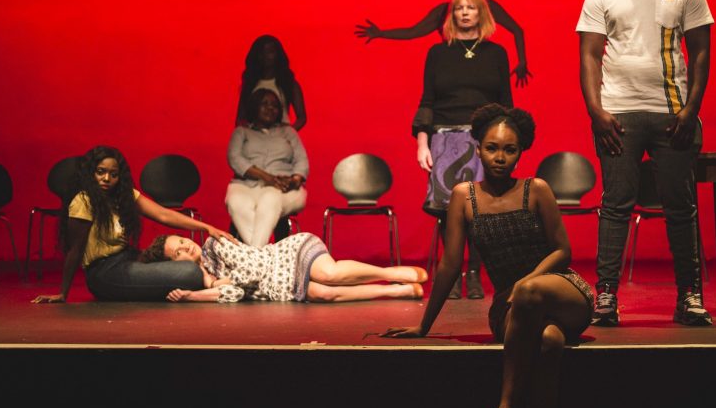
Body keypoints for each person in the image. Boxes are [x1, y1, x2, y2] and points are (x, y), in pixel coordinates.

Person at [385, 104, 594, 408]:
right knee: (549, 340)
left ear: (520, 152)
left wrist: (525, 283)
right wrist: (423, 325)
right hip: (513, 310)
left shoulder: (537, 189)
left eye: (509, 150)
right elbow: (450, 265)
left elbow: (563, 252)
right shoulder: (464, 196)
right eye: (492, 148)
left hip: (560, 291)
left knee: (530, 293)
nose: (500, 157)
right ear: (477, 147)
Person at [577, 0, 714, 327]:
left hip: (672, 114)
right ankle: (606, 296)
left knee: (680, 207)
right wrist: (597, 112)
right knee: (616, 205)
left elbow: (701, 50)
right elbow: (589, 55)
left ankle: (689, 296)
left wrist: (691, 109)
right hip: (619, 114)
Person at [32, 146, 235, 303]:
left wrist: (207, 227)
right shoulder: (84, 201)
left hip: (127, 258)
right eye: (100, 172)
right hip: (104, 274)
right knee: (188, 272)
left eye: (113, 174)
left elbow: (163, 214)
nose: (106, 178)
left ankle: (224, 279)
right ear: (91, 173)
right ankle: (213, 283)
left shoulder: (124, 196)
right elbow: (75, 250)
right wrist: (62, 293)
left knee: (190, 262)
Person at [413, 0, 513, 299]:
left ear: (481, 13)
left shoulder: (496, 53)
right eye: (459, 8)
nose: (465, 12)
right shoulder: (438, 53)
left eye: (471, 7)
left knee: (481, 211)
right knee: (448, 211)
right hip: (445, 139)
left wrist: (507, 143)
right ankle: (453, 272)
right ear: (453, 15)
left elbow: (505, 102)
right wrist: (422, 143)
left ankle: (474, 275)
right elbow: (427, 100)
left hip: (484, 140)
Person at [354, 0, 533, 86]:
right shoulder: (443, 12)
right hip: (452, 74)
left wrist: (522, 61)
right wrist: (381, 33)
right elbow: (413, 32)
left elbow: (517, 30)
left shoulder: (487, 6)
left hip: (482, 73)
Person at [139, 233, 427, 303]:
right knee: (326, 295)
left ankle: (392, 273)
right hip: (282, 288)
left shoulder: (216, 243)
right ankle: (397, 291)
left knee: (330, 274)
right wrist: (192, 296)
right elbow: (235, 296)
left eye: (181, 241)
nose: (185, 247)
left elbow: (249, 275)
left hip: (290, 254)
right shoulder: (204, 279)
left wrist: (216, 285)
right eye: (177, 252)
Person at [227, 88, 308, 247]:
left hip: (284, 188)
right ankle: (263, 256)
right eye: (264, 104)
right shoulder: (242, 132)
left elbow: (301, 161)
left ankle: (255, 255)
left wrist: (295, 179)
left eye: (274, 105)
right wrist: (267, 177)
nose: (270, 108)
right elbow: (235, 158)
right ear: (254, 107)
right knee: (235, 201)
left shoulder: (288, 132)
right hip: (246, 185)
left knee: (270, 198)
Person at [234, 35, 307, 131]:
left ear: (278, 55)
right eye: (262, 52)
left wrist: (288, 133)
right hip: (254, 139)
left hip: (280, 140)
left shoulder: (289, 83)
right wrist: (246, 132)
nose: (266, 56)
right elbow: (240, 118)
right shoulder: (250, 84)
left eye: (270, 52)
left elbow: (302, 117)